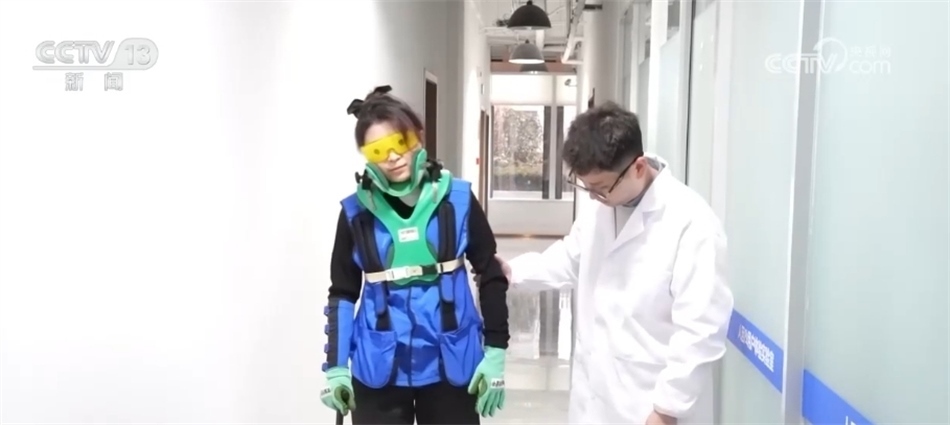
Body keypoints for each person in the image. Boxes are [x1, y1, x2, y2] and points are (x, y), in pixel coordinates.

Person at [487, 102, 733, 425]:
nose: (593, 197)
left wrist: (667, 409)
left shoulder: (692, 223)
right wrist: (513, 271)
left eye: (601, 188)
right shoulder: (601, 208)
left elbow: (701, 331)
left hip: (650, 403)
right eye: (586, 186)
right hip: (596, 398)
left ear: (638, 167)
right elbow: (571, 256)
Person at [320, 85, 511, 425]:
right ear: (367, 156)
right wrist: (336, 368)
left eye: (400, 142)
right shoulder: (355, 214)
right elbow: (343, 294)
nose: (393, 157)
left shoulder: (458, 200)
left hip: (451, 363)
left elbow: (490, 273)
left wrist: (496, 351)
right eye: (379, 150)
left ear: (417, 137)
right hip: (378, 368)